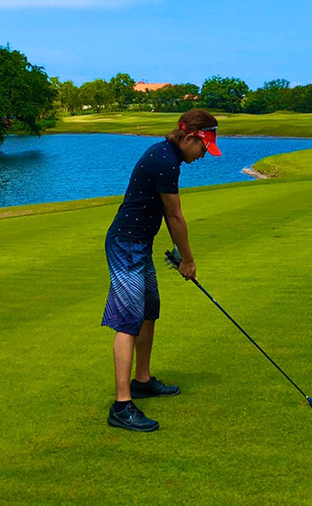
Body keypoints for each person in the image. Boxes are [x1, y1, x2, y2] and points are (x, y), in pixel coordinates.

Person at [101, 109, 220, 432]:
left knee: (149, 310)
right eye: (204, 147)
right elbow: (174, 216)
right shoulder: (165, 160)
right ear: (190, 137)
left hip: (139, 244)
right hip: (126, 244)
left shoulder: (167, 155)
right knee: (128, 320)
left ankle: (141, 380)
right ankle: (121, 406)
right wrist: (188, 260)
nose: (203, 155)